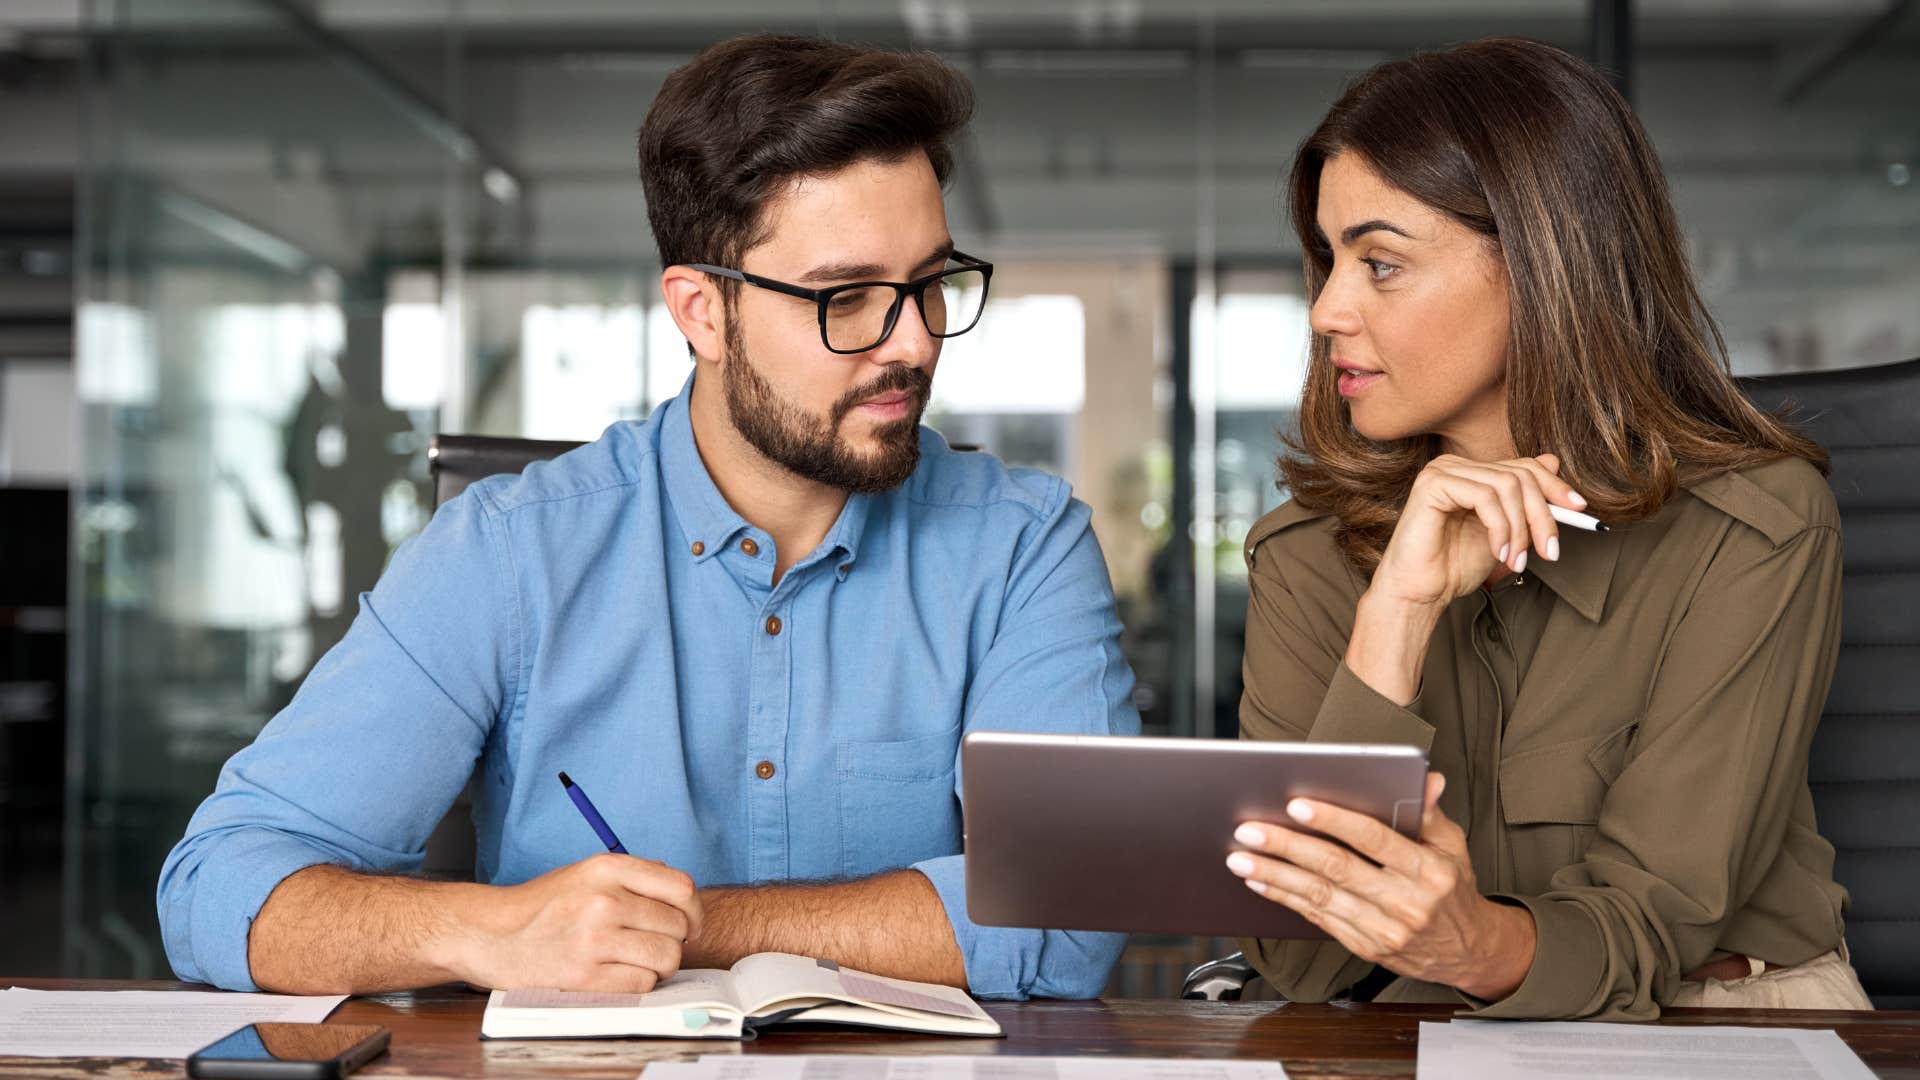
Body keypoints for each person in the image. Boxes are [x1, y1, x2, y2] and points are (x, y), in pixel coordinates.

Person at [157, 33, 1136, 1000]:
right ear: (702, 312)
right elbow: (221, 890)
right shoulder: (509, 553)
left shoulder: (1021, 545)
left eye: (929, 284)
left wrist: (685, 927)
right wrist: (494, 931)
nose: (913, 341)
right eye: (849, 297)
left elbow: (1073, 906)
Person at [1223, 38, 1869, 1021]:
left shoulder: (1755, 525)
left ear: (1540, 261)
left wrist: (1473, 944)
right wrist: (1396, 613)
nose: (1325, 310)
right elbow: (1300, 963)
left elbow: (1658, 921)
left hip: (1729, 1015)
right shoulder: (1306, 553)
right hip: (1416, 1024)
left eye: (1380, 264)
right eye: (1327, 260)